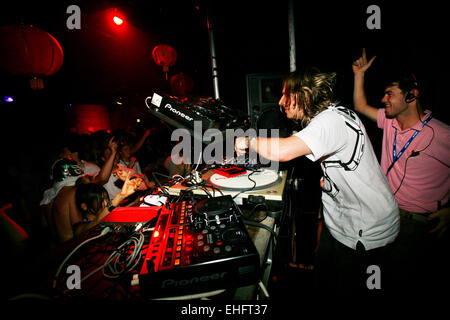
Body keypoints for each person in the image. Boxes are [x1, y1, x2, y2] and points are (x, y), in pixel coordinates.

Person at [235, 68, 399, 294]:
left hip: (367, 228)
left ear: (305, 95)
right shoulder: (331, 116)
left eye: (286, 95)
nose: (281, 102)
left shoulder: (330, 120)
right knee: (323, 283)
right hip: (344, 222)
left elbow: (285, 151)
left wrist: (247, 141)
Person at [352, 48, 450, 292]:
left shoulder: (440, 134)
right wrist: (359, 75)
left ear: (411, 95)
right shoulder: (389, 121)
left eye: (389, 94)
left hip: (416, 226)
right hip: (386, 215)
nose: (384, 99)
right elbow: (360, 104)